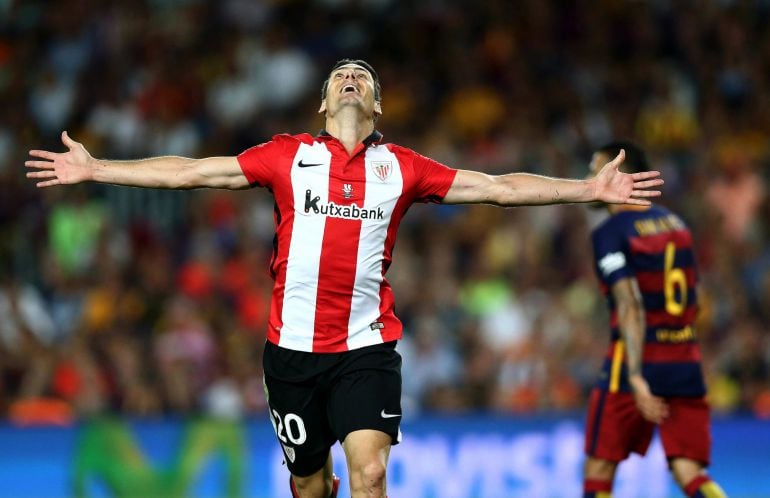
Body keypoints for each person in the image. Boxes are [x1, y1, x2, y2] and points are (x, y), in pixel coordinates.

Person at [27, 59, 663, 498]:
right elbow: (192, 172)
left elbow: (496, 188)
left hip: (365, 349)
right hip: (291, 356)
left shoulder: (402, 167)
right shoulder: (286, 156)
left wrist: (587, 188)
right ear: (324, 102)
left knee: (371, 475)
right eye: (340, 76)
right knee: (309, 486)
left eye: (362, 76)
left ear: (377, 105)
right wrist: (98, 169)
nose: (351, 79)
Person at [581, 141, 727, 498]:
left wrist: (635, 375)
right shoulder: (677, 223)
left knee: (599, 468)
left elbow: (629, 303)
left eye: (595, 169)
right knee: (689, 471)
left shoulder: (611, 232)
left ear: (621, 175)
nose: (588, 178)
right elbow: (697, 299)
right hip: (684, 359)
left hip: (633, 362)